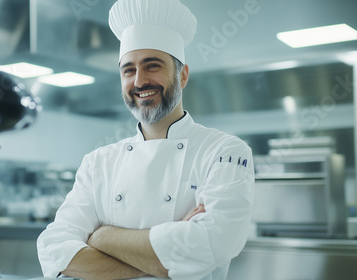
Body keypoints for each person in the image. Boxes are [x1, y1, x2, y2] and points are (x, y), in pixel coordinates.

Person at [37, 0, 255, 279]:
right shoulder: (97, 163)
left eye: (152, 66)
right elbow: (52, 248)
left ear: (183, 75)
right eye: (128, 70)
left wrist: (102, 237)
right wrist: (165, 260)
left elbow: (214, 244)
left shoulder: (223, 151)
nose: (139, 81)